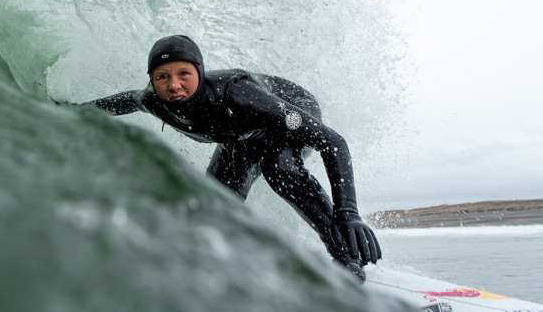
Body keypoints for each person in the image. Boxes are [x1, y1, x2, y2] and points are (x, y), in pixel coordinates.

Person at [64, 34, 381, 281]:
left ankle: (346, 256)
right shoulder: (154, 100)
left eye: (184, 74)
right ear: (152, 80)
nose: (174, 85)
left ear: (199, 72)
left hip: (289, 111)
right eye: (162, 77)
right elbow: (123, 102)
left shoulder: (236, 93)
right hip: (242, 136)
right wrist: (76, 112)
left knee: (280, 169)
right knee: (216, 203)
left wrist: (348, 211)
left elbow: (331, 140)